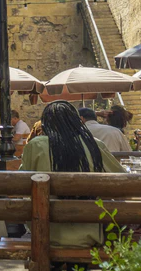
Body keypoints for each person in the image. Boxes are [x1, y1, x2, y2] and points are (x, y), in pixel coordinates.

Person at [20, 101, 125, 249]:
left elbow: (20, 182)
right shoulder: (94, 144)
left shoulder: (36, 145)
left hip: (47, 229)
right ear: (77, 121)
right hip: (89, 229)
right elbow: (121, 178)